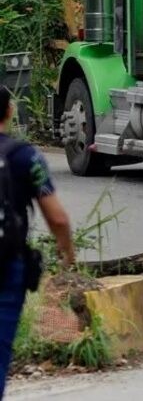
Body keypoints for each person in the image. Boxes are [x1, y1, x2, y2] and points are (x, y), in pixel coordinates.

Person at [0, 87, 75, 398]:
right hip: (6, 266)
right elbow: (57, 218)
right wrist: (67, 254)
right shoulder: (25, 156)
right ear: (10, 111)